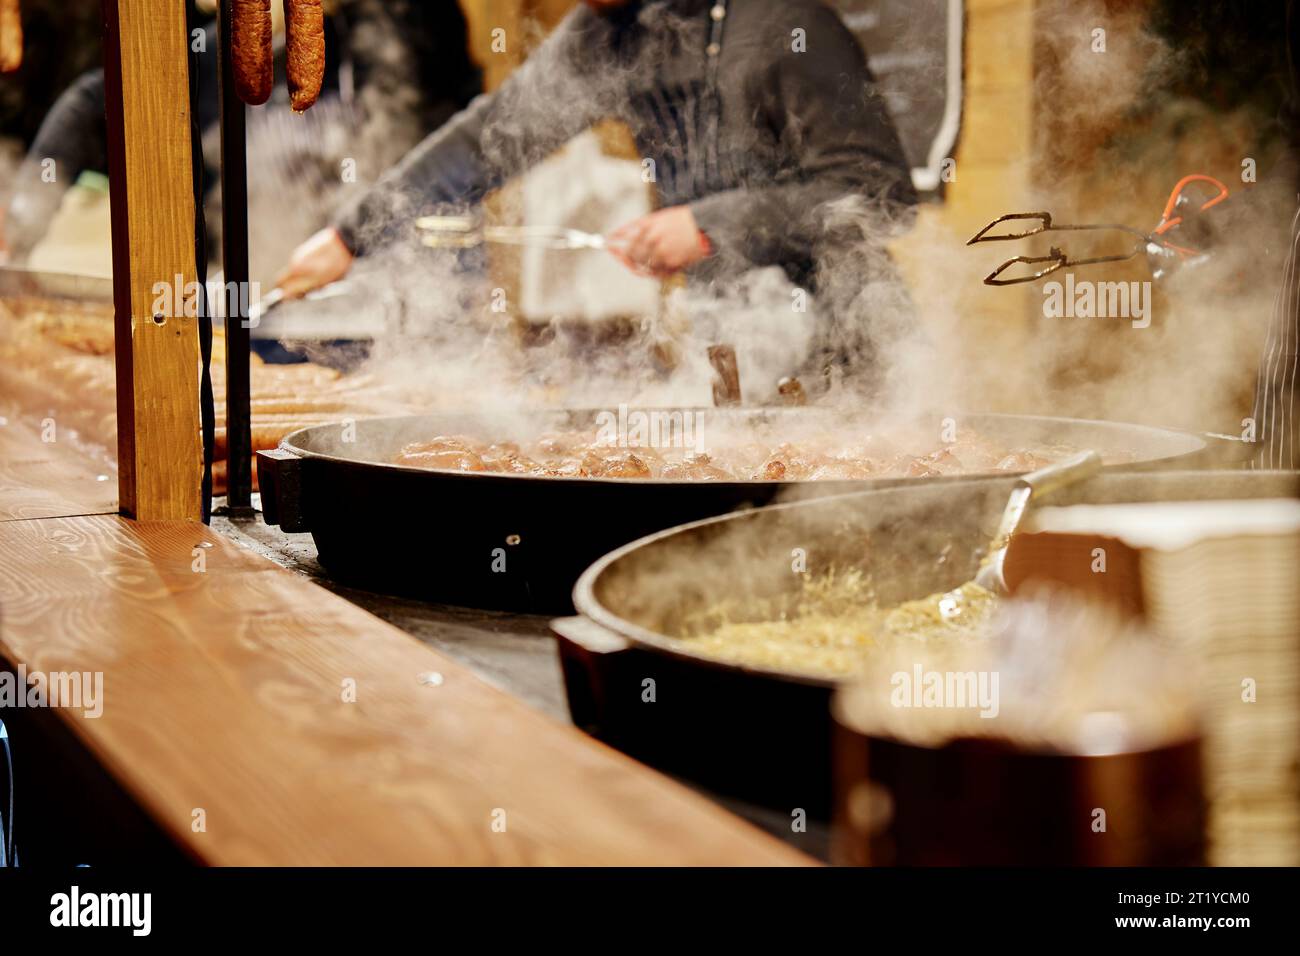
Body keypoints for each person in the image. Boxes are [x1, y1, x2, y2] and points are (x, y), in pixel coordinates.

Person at [276, 0, 917, 381]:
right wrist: (350, 234)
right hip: (731, 344)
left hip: (846, 348)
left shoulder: (788, 23)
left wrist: (711, 223)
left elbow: (878, 193)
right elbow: (490, 137)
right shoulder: (607, 29)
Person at [0, 0, 481, 264]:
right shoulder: (207, 55)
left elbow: (462, 140)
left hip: (363, 292)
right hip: (250, 301)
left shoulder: (390, 43)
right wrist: (23, 217)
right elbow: (92, 104)